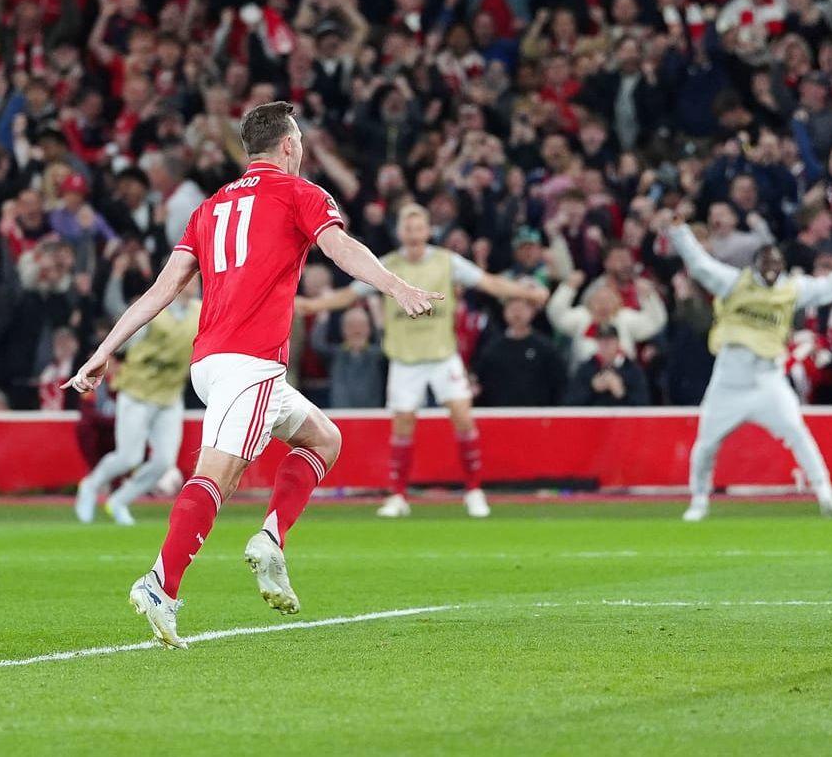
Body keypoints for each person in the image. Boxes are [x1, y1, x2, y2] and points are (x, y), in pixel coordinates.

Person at [64, 102, 443, 649]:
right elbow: (340, 249)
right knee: (217, 476)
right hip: (250, 363)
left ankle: (270, 537)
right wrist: (397, 285)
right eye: (302, 142)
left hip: (211, 364)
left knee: (323, 438)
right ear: (289, 145)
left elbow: (161, 289)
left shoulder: (211, 207)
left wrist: (105, 348)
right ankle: (160, 585)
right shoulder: (300, 192)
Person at [300, 203, 549, 519]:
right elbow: (350, 296)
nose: (414, 234)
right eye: (408, 228)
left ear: (428, 230)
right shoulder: (385, 266)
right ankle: (398, 496)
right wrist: (309, 305)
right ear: (400, 232)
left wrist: (525, 294)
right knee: (402, 426)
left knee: (463, 417)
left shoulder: (447, 262)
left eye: (419, 228)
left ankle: (474, 491)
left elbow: (488, 282)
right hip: (405, 359)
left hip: (443, 356)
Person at [657, 210, 832, 521]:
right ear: (755, 266)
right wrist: (680, 232)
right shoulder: (734, 283)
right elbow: (700, 265)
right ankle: (699, 500)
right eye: (766, 265)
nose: (771, 271)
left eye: (776, 265)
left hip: (767, 379)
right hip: (729, 380)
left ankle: (826, 495)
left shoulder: (791, 289)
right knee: (706, 445)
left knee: (798, 433)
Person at [74, 276, 202, 525]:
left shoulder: (199, 312)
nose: (192, 284)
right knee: (129, 457)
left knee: (164, 462)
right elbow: (125, 340)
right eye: (188, 278)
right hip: (137, 392)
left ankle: (119, 500)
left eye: (196, 280)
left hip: (169, 395)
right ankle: (91, 485)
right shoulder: (154, 309)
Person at [472, 295, 566, 407]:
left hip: (537, 415)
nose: (517, 314)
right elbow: (480, 383)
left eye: (522, 309)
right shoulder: (492, 348)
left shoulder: (546, 348)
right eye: (512, 308)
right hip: (500, 414)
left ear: (533, 311)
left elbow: (560, 385)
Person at [565, 323, 651, 406]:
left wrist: (621, 393)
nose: (606, 345)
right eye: (602, 341)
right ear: (597, 342)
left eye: (610, 341)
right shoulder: (586, 369)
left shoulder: (632, 370)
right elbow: (570, 404)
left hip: (623, 420)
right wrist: (592, 388)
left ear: (617, 342)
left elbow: (643, 405)